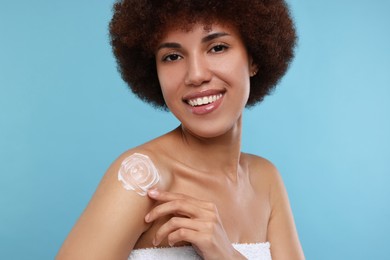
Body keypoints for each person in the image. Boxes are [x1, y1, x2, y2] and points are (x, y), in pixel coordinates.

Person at [57, 0, 304, 259]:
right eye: (172, 56)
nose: (196, 75)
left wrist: (225, 254)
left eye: (217, 47)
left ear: (254, 59)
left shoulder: (266, 181)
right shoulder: (143, 180)